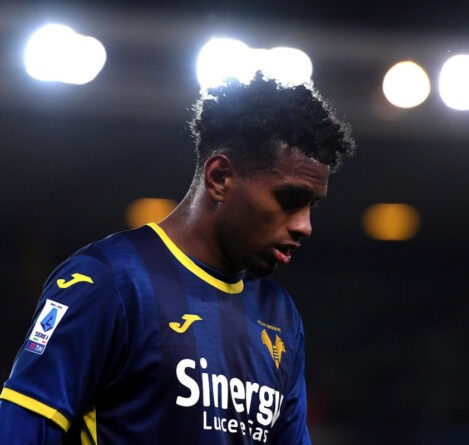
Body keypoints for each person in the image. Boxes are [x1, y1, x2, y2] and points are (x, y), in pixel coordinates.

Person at [0, 72, 354, 444]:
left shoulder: (280, 315)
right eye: (289, 200)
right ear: (220, 177)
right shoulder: (107, 281)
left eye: (312, 206)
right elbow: (22, 429)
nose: (304, 226)